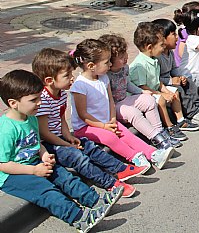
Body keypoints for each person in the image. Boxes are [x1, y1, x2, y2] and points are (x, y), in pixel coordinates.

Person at [0, 70, 122, 233]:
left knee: (64, 176)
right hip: (12, 175)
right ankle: (78, 218)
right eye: (33, 100)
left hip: (34, 164)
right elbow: (3, 164)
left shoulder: (31, 118)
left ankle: (94, 200)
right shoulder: (6, 129)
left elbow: (36, 144)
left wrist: (44, 154)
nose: (39, 103)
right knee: (46, 191)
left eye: (39, 98)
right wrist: (34, 170)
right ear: (13, 103)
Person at [32, 49, 145, 199]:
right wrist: (67, 144)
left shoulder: (60, 94)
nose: (72, 79)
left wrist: (68, 137)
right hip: (47, 143)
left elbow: (61, 120)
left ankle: (121, 169)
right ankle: (111, 184)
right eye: (67, 76)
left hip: (59, 137)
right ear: (49, 80)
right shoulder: (44, 100)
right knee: (78, 158)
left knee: (89, 147)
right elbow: (44, 133)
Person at [70, 39, 174, 170]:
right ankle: (134, 156)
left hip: (106, 121)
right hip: (86, 127)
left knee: (126, 134)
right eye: (106, 62)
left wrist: (112, 119)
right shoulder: (80, 86)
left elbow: (110, 101)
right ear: (91, 65)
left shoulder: (103, 78)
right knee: (110, 138)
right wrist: (103, 126)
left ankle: (153, 154)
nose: (109, 64)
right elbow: (83, 114)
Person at [99, 33, 182, 149]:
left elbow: (127, 84)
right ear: (110, 61)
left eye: (125, 53)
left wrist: (142, 92)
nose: (126, 57)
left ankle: (161, 132)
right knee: (133, 113)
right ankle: (156, 138)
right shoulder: (105, 76)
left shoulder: (124, 68)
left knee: (149, 100)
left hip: (124, 99)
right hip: (113, 106)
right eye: (121, 56)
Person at [151, 18, 199, 128]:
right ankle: (192, 114)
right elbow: (154, 79)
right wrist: (171, 81)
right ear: (162, 38)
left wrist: (181, 76)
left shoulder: (170, 53)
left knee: (189, 82)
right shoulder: (157, 56)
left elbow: (173, 69)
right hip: (161, 85)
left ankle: (198, 107)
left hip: (170, 81)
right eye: (173, 35)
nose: (177, 38)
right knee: (180, 89)